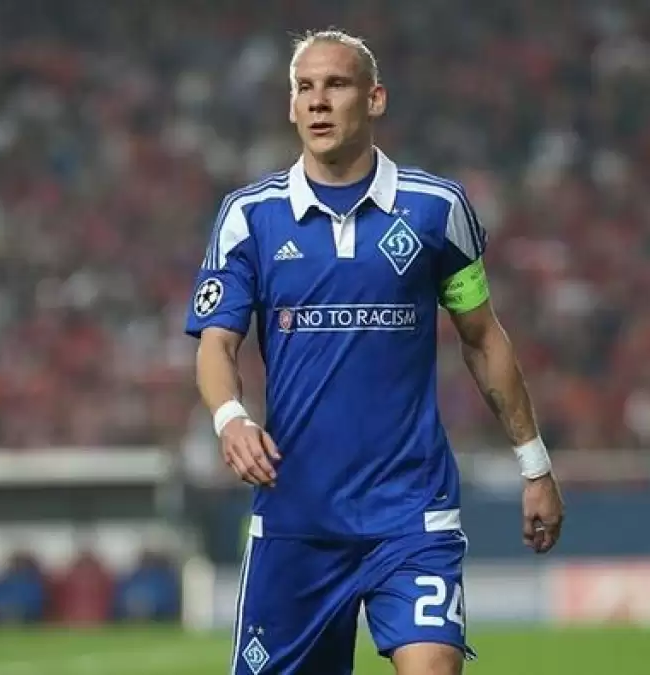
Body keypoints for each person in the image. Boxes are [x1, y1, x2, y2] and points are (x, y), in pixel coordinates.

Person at [185, 29, 564, 675]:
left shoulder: (436, 209)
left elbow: (482, 337)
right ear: (291, 106)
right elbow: (217, 343)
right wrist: (231, 419)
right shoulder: (249, 216)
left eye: (336, 84)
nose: (318, 101)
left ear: (375, 98)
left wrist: (534, 465)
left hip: (411, 512)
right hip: (297, 517)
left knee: (434, 667)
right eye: (304, 88)